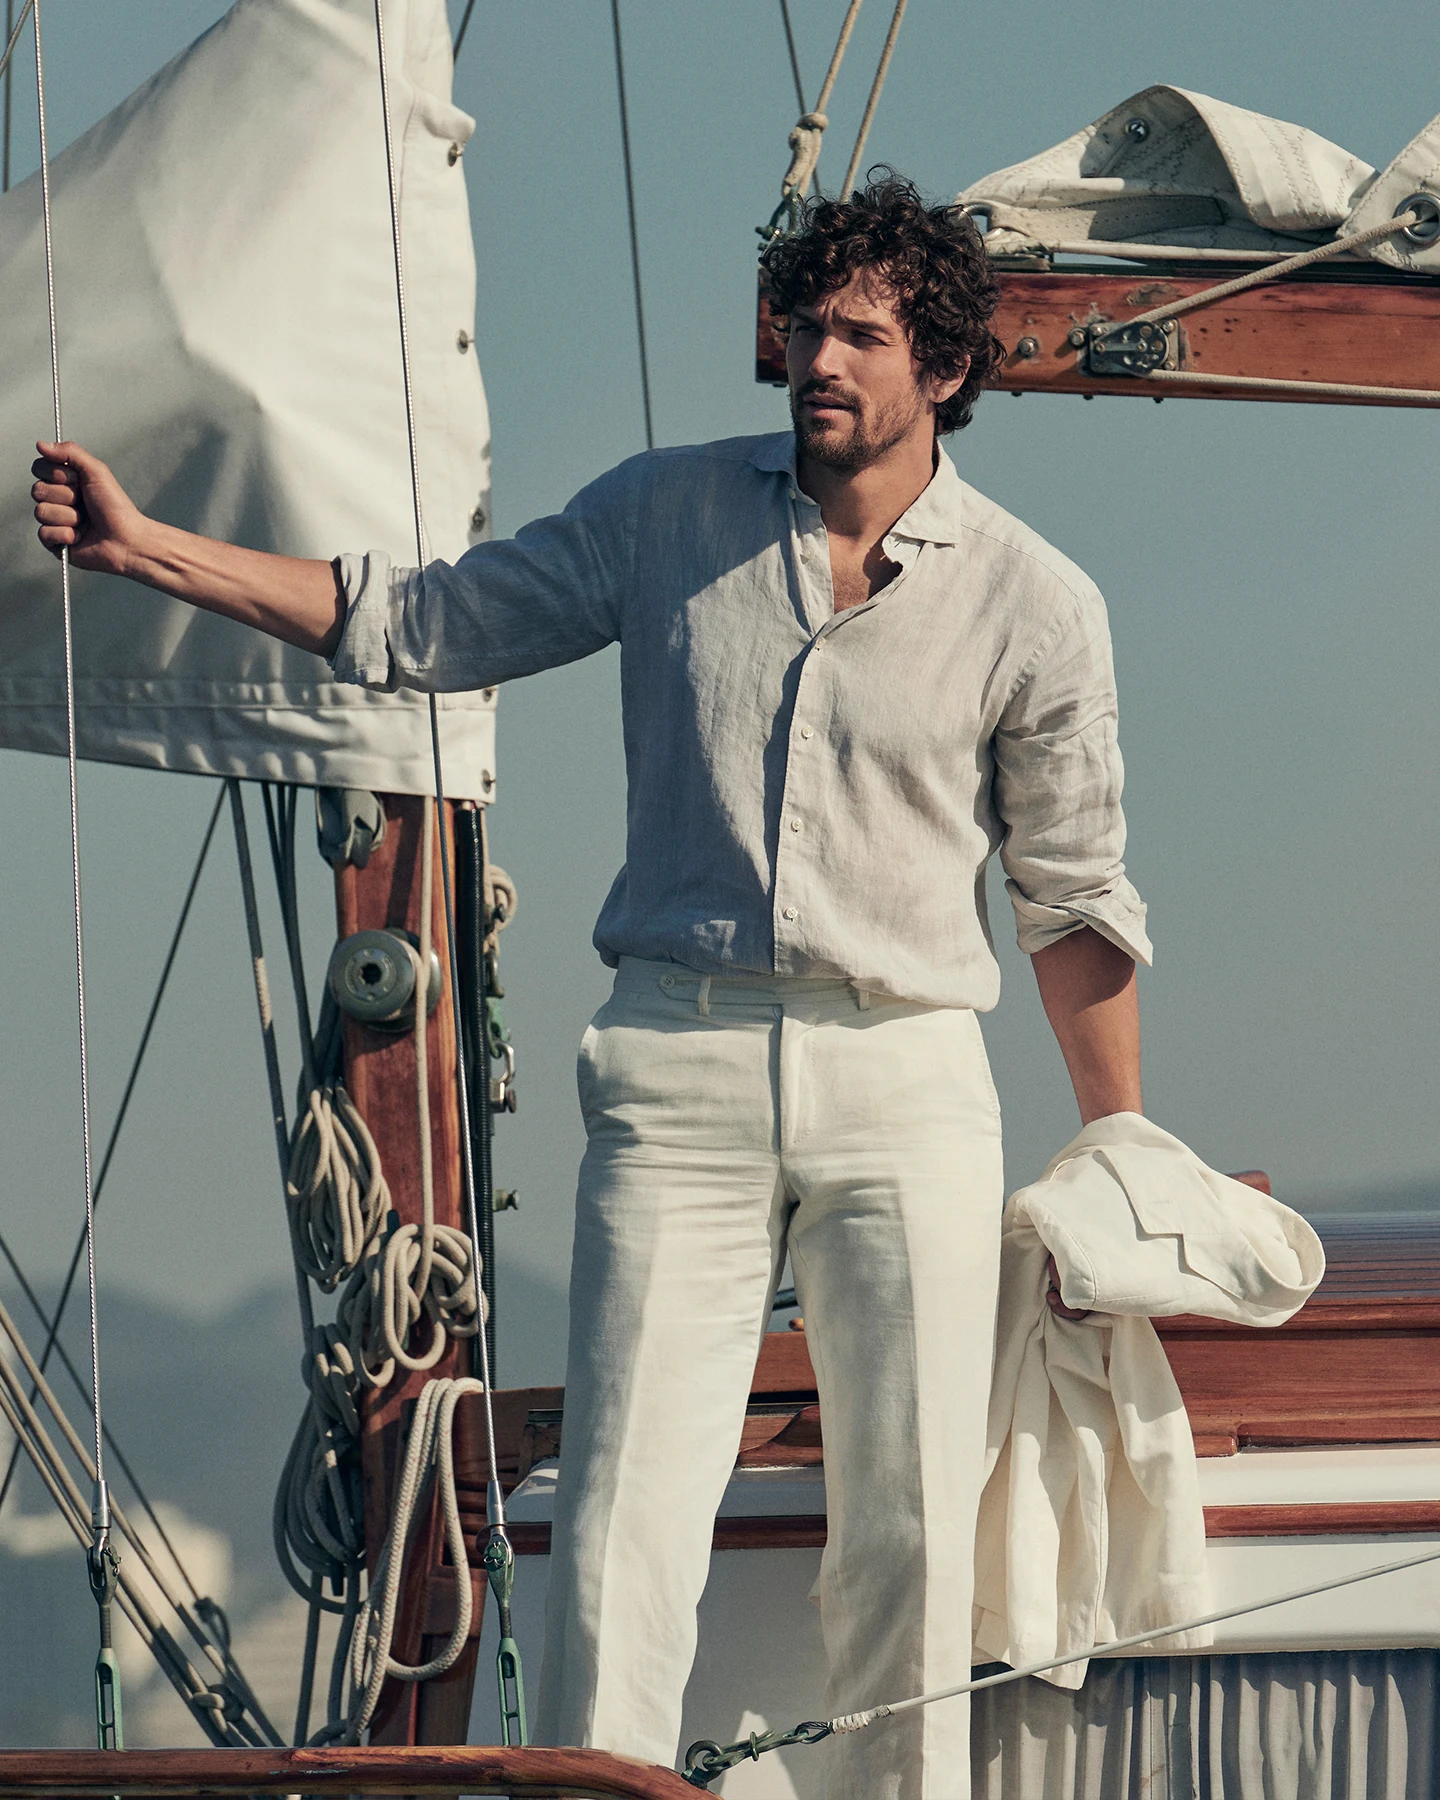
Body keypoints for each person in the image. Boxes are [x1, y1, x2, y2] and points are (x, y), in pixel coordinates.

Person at [32, 173, 1148, 1800]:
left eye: (864, 333)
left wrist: (1121, 1150)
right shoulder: (661, 518)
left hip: (906, 1072)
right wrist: (149, 554)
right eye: (805, 324)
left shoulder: (1038, 604)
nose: (820, 357)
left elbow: (1073, 898)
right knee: (622, 1507)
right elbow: (417, 624)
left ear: (949, 372)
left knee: (909, 1521)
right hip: (677, 1067)